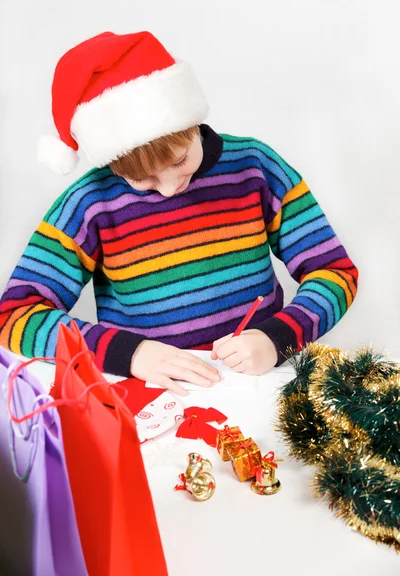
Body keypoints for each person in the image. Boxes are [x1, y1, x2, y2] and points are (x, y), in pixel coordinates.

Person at [0, 31, 358, 395]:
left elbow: (335, 273)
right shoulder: (89, 203)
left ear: (190, 122)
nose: (171, 189)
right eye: (141, 179)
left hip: (264, 387)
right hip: (155, 400)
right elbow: (15, 317)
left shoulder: (255, 166)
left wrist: (279, 336)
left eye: (180, 160)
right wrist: (129, 353)